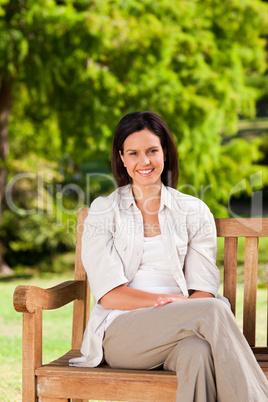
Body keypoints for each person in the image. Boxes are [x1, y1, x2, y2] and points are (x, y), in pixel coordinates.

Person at [70, 111, 268, 401]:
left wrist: (181, 308)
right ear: (122, 158)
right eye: (134, 153)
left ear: (165, 153)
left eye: (152, 151)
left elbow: (204, 289)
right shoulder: (104, 210)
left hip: (186, 325)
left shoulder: (193, 210)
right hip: (123, 332)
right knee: (214, 309)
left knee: (197, 353)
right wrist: (168, 304)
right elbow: (110, 295)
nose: (145, 161)